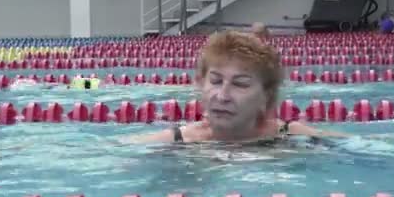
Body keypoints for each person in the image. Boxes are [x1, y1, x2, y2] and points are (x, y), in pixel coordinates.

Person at [121, 30, 352, 144]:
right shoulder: (177, 142)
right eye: (215, 81)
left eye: (240, 84)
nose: (222, 96)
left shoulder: (291, 136)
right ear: (200, 85)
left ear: (266, 97)